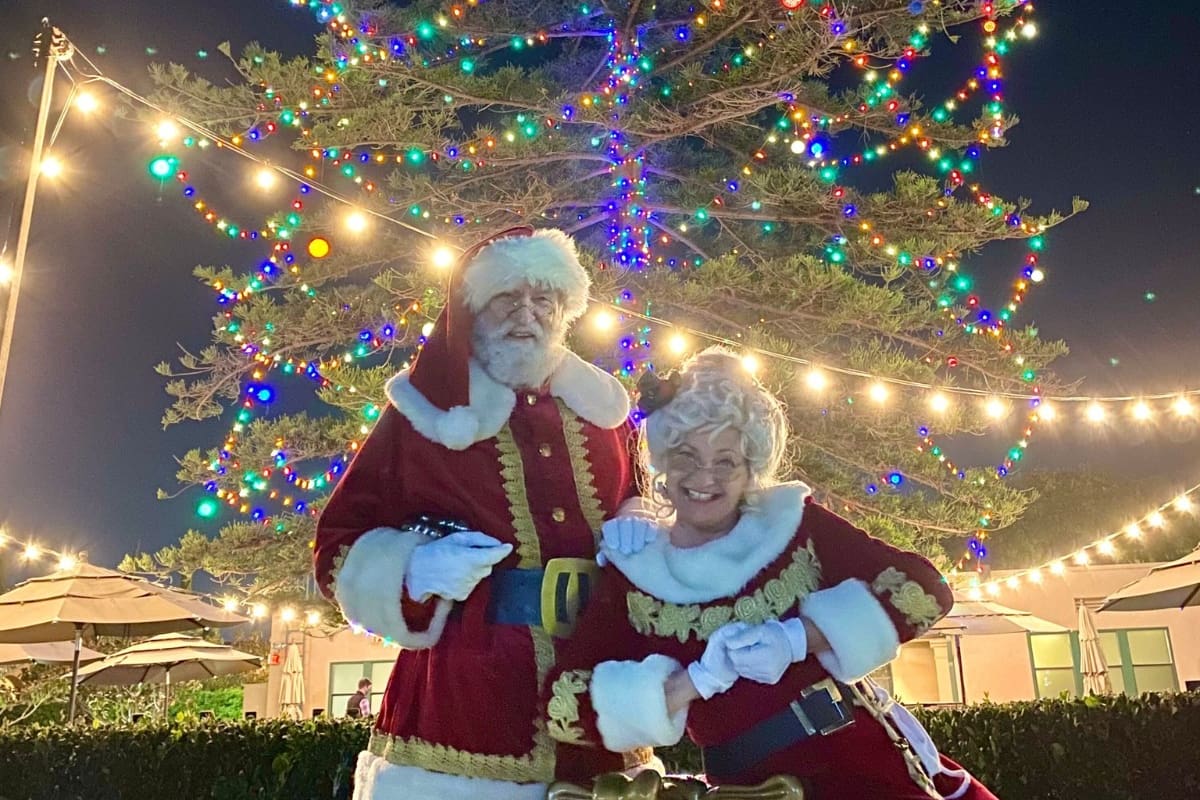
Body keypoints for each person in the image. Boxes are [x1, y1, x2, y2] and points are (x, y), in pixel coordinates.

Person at [543, 347, 999, 799]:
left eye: (725, 460)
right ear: (662, 461)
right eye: (686, 456)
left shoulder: (793, 526)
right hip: (747, 790)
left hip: (861, 766)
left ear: (750, 468)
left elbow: (926, 590)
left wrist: (798, 638)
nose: (705, 477)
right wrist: (693, 682)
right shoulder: (637, 572)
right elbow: (564, 707)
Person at [313, 227, 658, 800]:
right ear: (473, 310)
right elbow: (337, 546)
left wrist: (641, 516)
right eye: (507, 297)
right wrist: (415, 568)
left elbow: (639, 491)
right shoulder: (420, 415)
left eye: (543, 298)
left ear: (565, 310)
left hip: (600, 687)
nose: (527, 313)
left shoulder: (603, 412)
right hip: (465, 702)